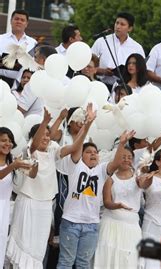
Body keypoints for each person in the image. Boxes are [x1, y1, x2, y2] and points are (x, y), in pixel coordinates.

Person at [5, 107, 90, 268]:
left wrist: (87, 126)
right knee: (23, 245)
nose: (46, 137)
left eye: (47, 134)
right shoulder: (28, 150)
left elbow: (72, 148)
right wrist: (45, 121)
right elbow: (35, 145)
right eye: (42, 133)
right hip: (28, 203)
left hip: (44, 206)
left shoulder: (53, 151)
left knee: (37, 249)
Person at [57, 109, 134, 268]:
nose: (93, 154)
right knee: (66, 262)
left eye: (95, 152)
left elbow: (116, 162)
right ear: (81, 154)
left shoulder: (101, 170)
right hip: (71, 222)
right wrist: (88, 124)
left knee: (83, 264)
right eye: (88, 152)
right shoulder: (75, 166)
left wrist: (121, 144)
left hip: (91, 225)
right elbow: (76, 147)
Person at [94, 147, 144, 268]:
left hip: (131, 226)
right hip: (111, 224)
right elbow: (106, 202)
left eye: (129, 157)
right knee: (108, 258)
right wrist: (117, 205)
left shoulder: (138, 178)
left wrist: (147, 178)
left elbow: (144, 184)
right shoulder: (110, 179)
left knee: (128, 259)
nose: (126, 160)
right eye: (123, 156)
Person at [0, 127, 33, 268]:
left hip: (4, 207)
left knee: (1, 243)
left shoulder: (12, 160)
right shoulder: (12, 163)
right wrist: (13, 166)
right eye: (3, 140)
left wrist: (34, 163)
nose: (7, 144)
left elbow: (31, 174)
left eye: (10, 141)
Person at [91, 12, 145, 89]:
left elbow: (141, 69)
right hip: (102, 85)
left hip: (125, 88)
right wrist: (102, 71)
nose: (118, 26)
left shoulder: (137, 47)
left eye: (122, 24)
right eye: (117, 23)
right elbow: (88, 63)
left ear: (130, 28)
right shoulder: (102, 41)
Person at [16, 45, 57, 116]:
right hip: (56, 125)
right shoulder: (64, 79)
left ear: (43, 60)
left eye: (35, 57)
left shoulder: (36, 80)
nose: (33, 60)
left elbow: (21, 109)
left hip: (35, 125)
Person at [0, 9, 37, 87]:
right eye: (16, 19)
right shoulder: (1, 39)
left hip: (23, 84)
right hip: (1, 81)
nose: (19, 21)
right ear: (11, 21)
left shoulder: (33, 43)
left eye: (22, 20)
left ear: (26, 24)